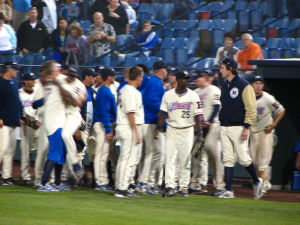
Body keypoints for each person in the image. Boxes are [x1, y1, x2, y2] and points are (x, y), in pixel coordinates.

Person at [218, 58, 263, 199]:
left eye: (222, 68)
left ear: (230, 68)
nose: (220, 71)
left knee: (243, 158)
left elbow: (251, 108)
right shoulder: (225, 85)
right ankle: (229, 190)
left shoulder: (244, 85)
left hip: (238, 127)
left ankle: (257, 181)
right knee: (228, 159)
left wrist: (246, 127)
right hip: (224, 126)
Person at [155, 70, 204, 198]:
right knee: (169, 158)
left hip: (187, 130)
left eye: (187, 79)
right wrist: (158, 128)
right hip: (171, 129)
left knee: (185, 159)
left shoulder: (193, 96)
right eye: (183, 78)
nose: (186, 81)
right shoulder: (168, 95)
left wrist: (200, 133)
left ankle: (183, 187)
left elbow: (199, 115)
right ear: (177, 79)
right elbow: (163, 114)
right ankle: (170, 186)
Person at [249, 75, 285, 196]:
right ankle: (265, 182)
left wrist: (273, 125)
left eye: (260, 83)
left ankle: (263, 187)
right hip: (253, 132)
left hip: (265, 133)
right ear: (252, 85)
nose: (258, 86)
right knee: (254, 162)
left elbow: (281, 110)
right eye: (256, 83)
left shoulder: (268, 98)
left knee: (263, 163)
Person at [191, 70, 224, 196]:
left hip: (212, 127)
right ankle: (197, 184)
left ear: (206, 78)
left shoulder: (214, 90)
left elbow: (217, 107)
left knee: (214, 157)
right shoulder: (195, 92)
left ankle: (219, 186)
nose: (197, 80)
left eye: (199, 77)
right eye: (195, 78)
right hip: (199, 129)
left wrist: (209, 122)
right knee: (197, 156)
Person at [137, 61, 167, 194]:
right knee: (152, 152)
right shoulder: (155, 82)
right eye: (165, 70)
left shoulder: (154, 82)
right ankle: (144, 183)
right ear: (162, 70)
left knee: (153, 152)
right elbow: (150, 102)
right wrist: (165, 109)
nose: (166, 72)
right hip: (150, 122)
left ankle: (147, 182)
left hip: (151, 122)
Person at [114, 66, 144, 198]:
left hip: (124, 126)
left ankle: (121, 186)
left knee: (124, 159)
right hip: (128, 126)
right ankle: (122, 189)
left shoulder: (126, 89)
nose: (142, 79)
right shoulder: (130, 91)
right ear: (138, 77)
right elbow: (130, 113)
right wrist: (136, 132)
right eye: (142, 76)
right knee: (127, 159)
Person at [93, 68, 117, 190]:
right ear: (109, 77)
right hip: (103, 124)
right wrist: (108, 129)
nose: (114, 77)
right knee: (101, 154)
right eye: (113, 75)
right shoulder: (104, 91)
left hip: (103, 123)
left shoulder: (105, 90)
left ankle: (102, 181)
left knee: (104, 154)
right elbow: (104, 112)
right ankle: (100, 182)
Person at [0, 61, 21, 186]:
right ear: (8, 69)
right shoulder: (1, 82)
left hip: (13, 121)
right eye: (14, 68)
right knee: (1, 149)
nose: (16, 71)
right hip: (3, 122)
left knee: (10, 151)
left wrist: (20, 116)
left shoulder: (14, 83)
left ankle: (7, 177)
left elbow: (17, 102)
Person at [19, 72, 40, 185]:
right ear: (25, 81)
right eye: (31, 79)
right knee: (25, 151)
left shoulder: (38, 92)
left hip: (39, 125)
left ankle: (39, 175)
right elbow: (18, 110)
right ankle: (25, 176)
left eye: (33, 79)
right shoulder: (19, 94)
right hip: (26, 126)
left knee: (40, 151)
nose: (33, 81)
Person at [17, 7, 50, 74]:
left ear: (37, 14)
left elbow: (47, 38)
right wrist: (22, 48)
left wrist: (43, 48)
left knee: (37, 72)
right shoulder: (24, 25)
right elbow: (19, 38)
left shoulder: (41, 25)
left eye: (34, 13)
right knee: (27, 72)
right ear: (28, 14)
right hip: (28, 52)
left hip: (38, 53)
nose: (33, 14)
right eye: (31, 13)